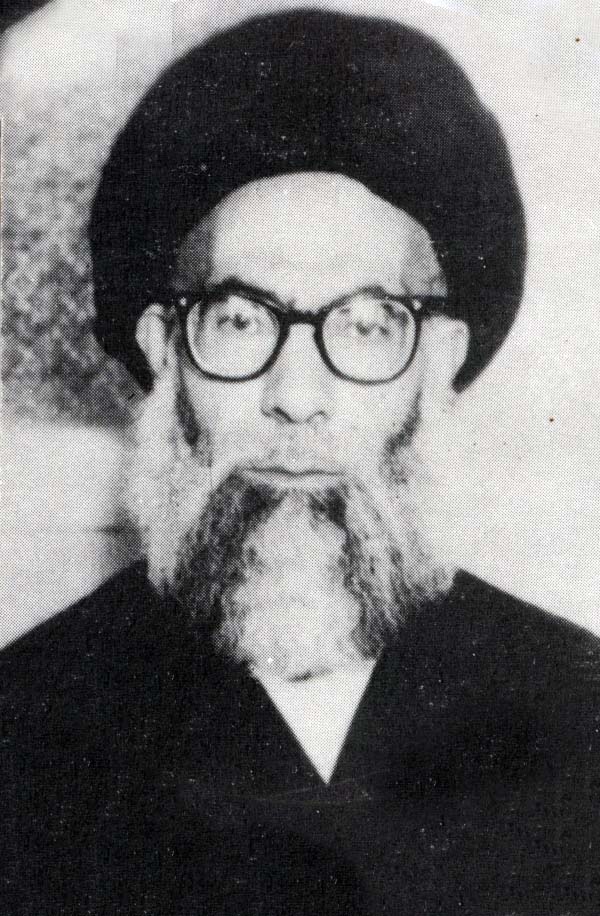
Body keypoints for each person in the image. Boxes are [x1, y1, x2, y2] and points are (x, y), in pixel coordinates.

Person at [2, 9, 599, 915]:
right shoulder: (27, 731)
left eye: (365, 325)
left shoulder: (575, 713)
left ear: (438, 365)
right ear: (164, 352)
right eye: (241, 320)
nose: (296, 393)